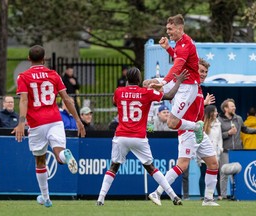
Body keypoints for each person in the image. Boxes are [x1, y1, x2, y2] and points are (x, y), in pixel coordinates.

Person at [96, 67, 189, 206]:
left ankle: (100, 198)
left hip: (121, 135)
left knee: (113, 167)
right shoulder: (147, 93)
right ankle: (173, 196)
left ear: (127, 79)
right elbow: (169, 96)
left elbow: (114, 102)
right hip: (139, 136)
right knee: (151, 168)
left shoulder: (119, 91)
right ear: (139, 80)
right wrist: (179, 81)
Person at [11, 45, 86, 208]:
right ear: (44, 59)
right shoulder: (53, 74)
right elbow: (67, 99)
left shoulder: (23, 76)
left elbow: (24, 101)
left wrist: (21, 122)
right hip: (55, 120)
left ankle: (46, 197)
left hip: (37, 124)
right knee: (58, 153)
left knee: (40, 160)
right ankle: (65, 156)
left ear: (28, 59)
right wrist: (78, 120)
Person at [149, 58, 220, 206]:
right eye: (201, 71)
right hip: (187, 131)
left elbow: (198, 113)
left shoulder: (199, 88)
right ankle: (157, 192)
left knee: (213, 163)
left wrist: (204, 103)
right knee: (183, 165)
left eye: (206, 72)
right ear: (195, 70)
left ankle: (208, 199)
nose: (203, 74)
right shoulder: (186, 86)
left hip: (199, 130)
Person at [149, 14, 204, 144]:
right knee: (148, 83)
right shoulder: (180, 43)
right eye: (167, 29)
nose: (167, 32)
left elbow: (177, 67)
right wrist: (168, 48)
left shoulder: (185, 45)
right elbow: (178, 57)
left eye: (170, 29)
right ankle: (150, 122)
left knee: (172, 123)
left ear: (180, 29)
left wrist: (162, 82)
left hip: (188, 86)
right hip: (179, 80)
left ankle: (196, 127)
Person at [217, 98, 256, 199]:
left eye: (234, 106)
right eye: (232, 106)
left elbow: (245, 129)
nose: (235, 108)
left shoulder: (239, 118)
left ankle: (236, 195)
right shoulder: (219, 120)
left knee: (237, 173)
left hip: (237, 151)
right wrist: (228, 133)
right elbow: (217, 135)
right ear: (225, 108)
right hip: (225, 151)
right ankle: (223, 196)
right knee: (224, 173)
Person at [200, 105, 223, 200]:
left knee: (215, 174)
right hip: (204, 154)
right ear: (211, 113)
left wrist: (220, 149)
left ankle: (218, 194)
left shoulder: (218, 124)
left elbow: (220, 138)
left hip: (215, 153)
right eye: (215, 111)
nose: (217, 113)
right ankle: (203, 195)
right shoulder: (202, 124)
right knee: (203, 174)